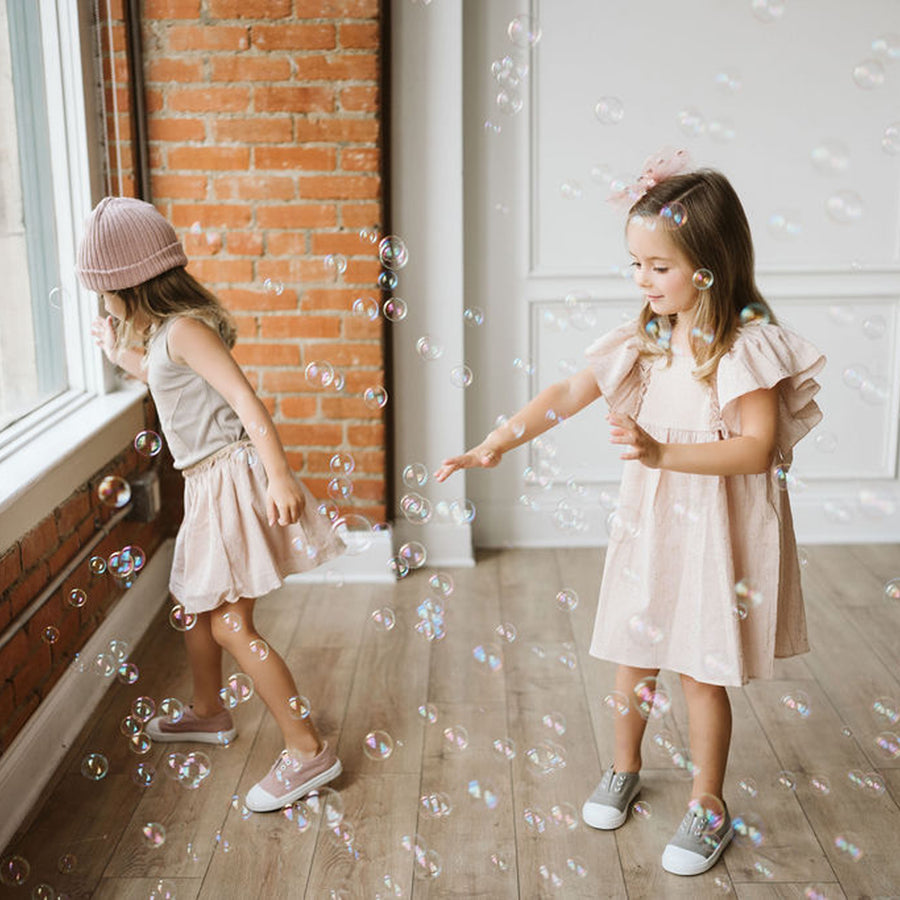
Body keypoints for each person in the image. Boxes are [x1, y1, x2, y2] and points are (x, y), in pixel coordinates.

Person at [436, 153, 825, 877]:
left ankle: (708, 803)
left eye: (657, 267)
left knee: (700, 671)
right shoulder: (646, 338)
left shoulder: (744, 348)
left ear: (707, 266)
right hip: (651, 524)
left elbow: (755, 449)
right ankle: (623, 767)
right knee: (633, 655)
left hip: (713, 531)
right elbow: (566, 391)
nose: (641, 282)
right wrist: (495, 442)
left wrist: (659, 453)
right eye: (635, 265)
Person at [76, 196, 346, 813]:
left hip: (230, 478)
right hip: (205, 483)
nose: (103, 304)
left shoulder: (187, 331)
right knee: (195, 607)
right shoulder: (169, 339)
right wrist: (120, 355)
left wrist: (279, 478)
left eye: (104, 293)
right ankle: (208, 710)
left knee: (229, 623)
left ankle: (308, 751)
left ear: (128, 286)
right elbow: (163, 375)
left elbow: (247, 403)